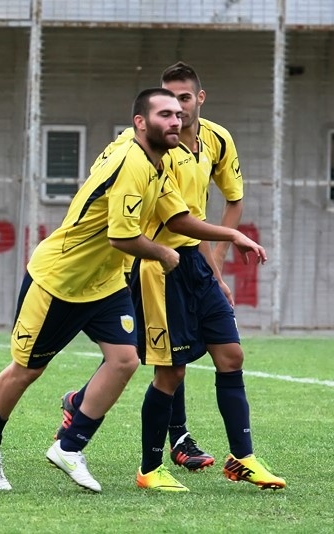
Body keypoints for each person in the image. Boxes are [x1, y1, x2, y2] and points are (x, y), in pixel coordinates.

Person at [0, 87, 265, 493]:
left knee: (124, 360)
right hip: (60, 279)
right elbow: (121, 238)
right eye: (164, 114)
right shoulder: (134, 164)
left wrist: (231, 233)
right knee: (27, 371)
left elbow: (177, 216)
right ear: (140, 122)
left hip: (105, 283)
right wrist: (162, 253)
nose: (175, 121)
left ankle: (70, 447)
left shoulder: (156, 162)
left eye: (178, 114)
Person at [55, 64, 286, 491]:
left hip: (195, 262)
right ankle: (150, 467)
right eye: (167, 102)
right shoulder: (145, 149)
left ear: (200, 99)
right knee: (167, 370)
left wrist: (218, 261)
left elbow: (227, 200)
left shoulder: (217, 139)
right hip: (159, 268)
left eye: (182, 101)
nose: (175, 112)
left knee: (231, 356)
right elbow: (154, 213)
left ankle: (243, 459)